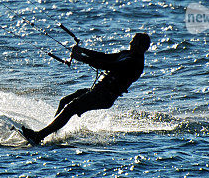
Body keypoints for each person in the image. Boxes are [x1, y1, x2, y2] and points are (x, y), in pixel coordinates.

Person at [21, 33, 150, 145]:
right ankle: (50, 134)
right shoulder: (125, 54)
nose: (130, 42)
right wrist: (82, 50)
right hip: (97, 90)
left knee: (71, 108)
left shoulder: (134, 63)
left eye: (134, 41)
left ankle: (39, 136)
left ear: (140, 45)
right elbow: (104, 56)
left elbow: (107, 65)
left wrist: (82, 58)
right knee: (64, 101)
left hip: (105, 96)